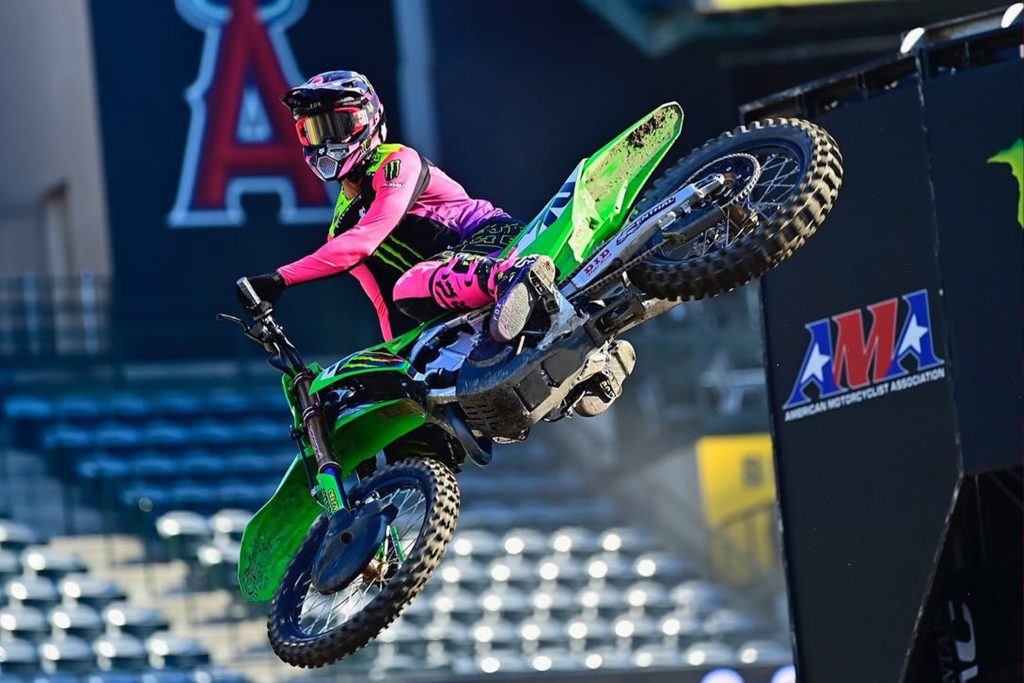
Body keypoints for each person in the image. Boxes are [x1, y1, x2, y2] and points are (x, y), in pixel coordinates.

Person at [242, 70, 556, 343]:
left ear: (367, 120)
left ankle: (514, 276)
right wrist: (401, 367)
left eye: (336, 126)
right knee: (411, 316)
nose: (325, 142)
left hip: (497, 239)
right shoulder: (340, 228)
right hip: (452, 280)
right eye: (313, 130)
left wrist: (281, 278)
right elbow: (385, 306)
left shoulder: (396, 161)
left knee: (409, 285)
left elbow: (363, 241)